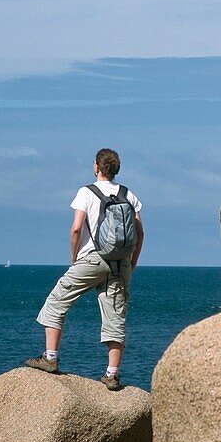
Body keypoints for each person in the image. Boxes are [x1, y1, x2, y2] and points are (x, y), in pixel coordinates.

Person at [25, 147, 144, 390]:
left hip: (92, 258)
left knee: (57, 301)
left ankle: (50, 358)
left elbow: (76, 229)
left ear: (97, 167)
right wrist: (132, 262)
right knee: (115, 317)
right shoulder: (128, 194)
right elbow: (140, 232)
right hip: (121, 264)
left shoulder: (86, 192)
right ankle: (112, 374)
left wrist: (74, 258)